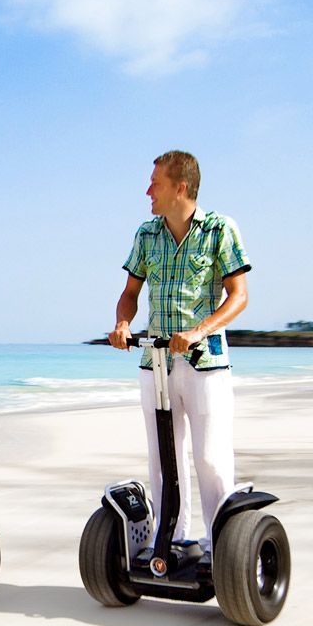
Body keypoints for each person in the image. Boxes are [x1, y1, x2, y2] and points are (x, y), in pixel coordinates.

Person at [108, 150, 250, 566]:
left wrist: (197, 331)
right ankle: (174, 538)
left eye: (155, 183)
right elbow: (131, 294)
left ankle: (219, 545)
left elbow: (238, 296)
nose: (147, 190)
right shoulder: (146, 234)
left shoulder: (220, 230)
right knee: (162, 457)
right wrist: (121, 323)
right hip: (156, 363)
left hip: (205, 363)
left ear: (180, 187)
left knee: (210, 457)